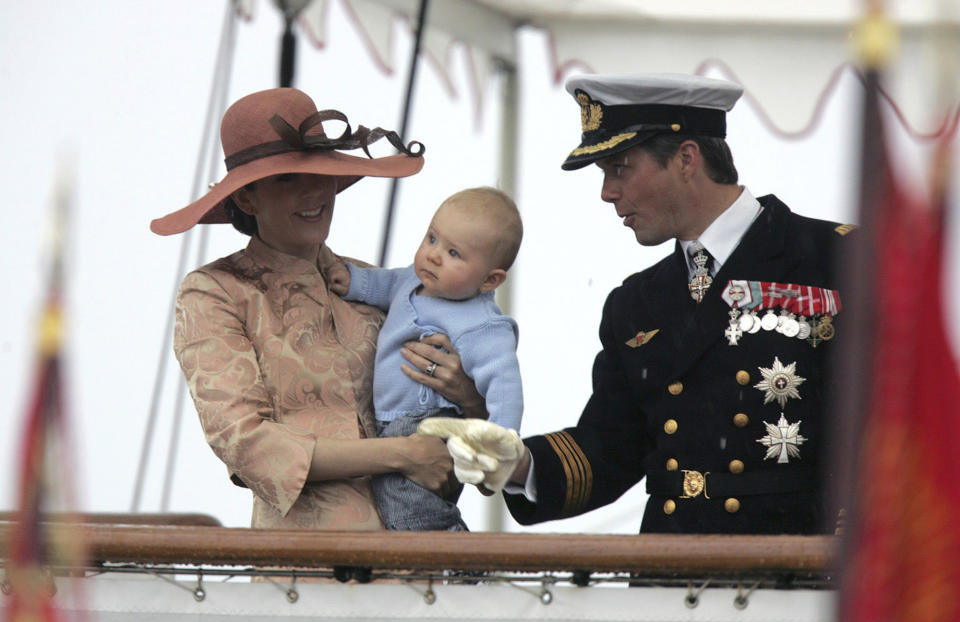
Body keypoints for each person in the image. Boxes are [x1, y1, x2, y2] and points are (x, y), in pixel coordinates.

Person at [439, 72, 855, 535]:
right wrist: (521, 465)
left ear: (687, 159)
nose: (606, 192)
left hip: (800, 573)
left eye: (620, 168)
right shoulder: (636, 303)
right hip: (669, 576)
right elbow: (612, 446)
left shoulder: (840, 259)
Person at [149, 87, 483, 530]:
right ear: (248, 199)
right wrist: (402, 453)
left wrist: (465, 394)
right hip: (304, 578)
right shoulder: (215, 292)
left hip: (421, 569)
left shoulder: (379, 286)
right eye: (288, 179)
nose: (314, 192)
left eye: (321, 173)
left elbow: (476, 445)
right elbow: (246, 442)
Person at [326, 187, 523, 531]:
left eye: (453, 253)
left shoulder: (480, 323)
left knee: (404, 504)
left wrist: (500, 439)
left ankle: (453, 556)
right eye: (432, 238)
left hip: (432, 420)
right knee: (397, 500)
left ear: (490, 279)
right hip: (394, 422)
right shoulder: (410, 281)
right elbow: (383, 285)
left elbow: (504, 383)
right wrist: (355, 281)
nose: (433, 256)